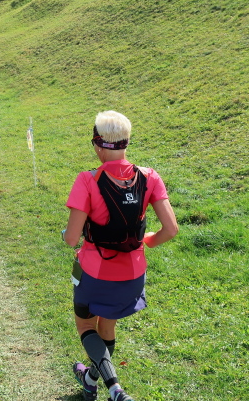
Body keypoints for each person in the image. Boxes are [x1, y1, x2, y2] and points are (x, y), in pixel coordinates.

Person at [63, 110, 178, 401]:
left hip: (95, 272)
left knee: (86, 325)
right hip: (133, 274)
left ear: (97, 144)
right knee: (107, 325)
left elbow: (72, 239)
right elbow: (171, 229)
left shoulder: (87, 180)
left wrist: (65, 235)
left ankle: (115, 389)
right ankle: (90, 379)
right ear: (126, 142)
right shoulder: (150, 177)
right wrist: (148, 241)